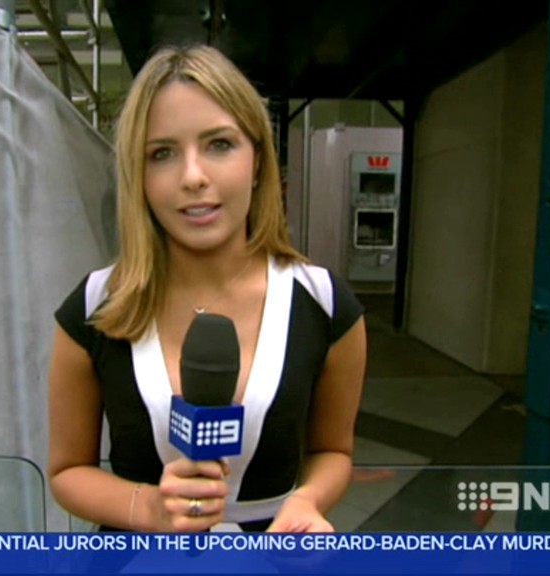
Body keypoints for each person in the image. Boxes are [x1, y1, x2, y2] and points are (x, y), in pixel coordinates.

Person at [48, 45, 367, 533]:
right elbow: (67, 471)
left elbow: (333, 451)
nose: (193, 176)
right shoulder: (93, 307)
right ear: (138, 175)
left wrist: (308, 501)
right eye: (162, 153)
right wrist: (149, 508)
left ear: (258, 160)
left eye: (219, 144)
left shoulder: (325, 305)